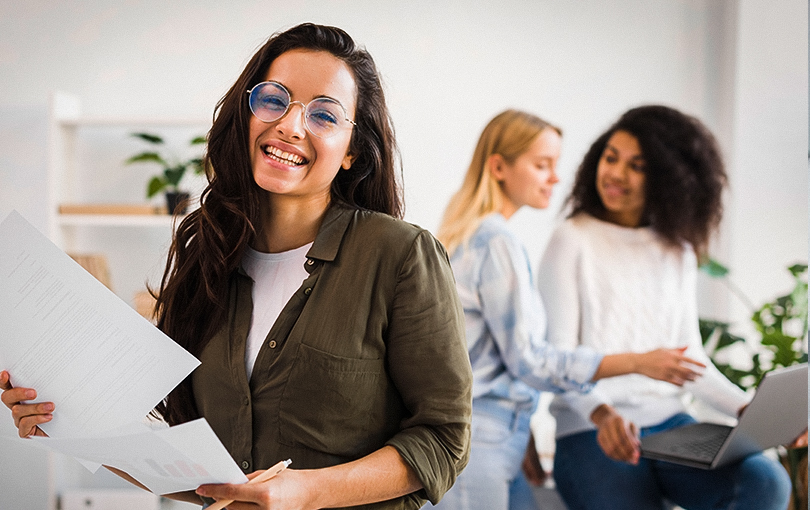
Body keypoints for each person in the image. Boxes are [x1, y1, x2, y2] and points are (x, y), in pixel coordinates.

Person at [1, 23, 474, 510]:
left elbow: (444, 439)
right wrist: (69, 425)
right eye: (274, 100)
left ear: (352, 152)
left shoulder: (400, 254)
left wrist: (306, 492)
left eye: (324, 115)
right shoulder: (206, 255)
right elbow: (202, 475)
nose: (290, 125)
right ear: (246, 113)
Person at [430, 109, 705, 510]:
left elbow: (496, 362)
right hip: (480, 442)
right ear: (499, 167)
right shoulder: (496, 242)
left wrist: (520, 430)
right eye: (543, 165)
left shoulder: (470, 236)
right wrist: (636, 362)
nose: (555, 178)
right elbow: (530, 360)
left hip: (495, 434)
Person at [538, 105, 793, 510]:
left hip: (670, 424)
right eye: (611, 157)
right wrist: (603, 414)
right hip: (590, 429)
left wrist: (747, 409)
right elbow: (559, 360)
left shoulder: (678, 250)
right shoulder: (571, 240)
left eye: (636, 166)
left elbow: (689, 361)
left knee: (766, 483)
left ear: (668, 178)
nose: (615, 174)